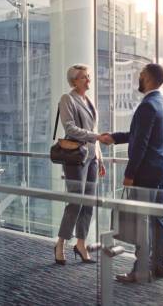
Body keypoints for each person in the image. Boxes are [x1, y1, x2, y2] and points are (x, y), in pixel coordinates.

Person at [98, 63, 163, 283]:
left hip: (146, 174)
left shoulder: (147, 106)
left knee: (142, 222)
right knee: (158, 219)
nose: (138, 79)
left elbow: (140, 144)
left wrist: (129, 175)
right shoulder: (162, 103)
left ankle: (140, 270)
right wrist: (114, 137)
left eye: (140, 76)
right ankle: (159, 265)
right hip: (161, 170)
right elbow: (140, 134)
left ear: (148, 79)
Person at [54, 64, 106, 265]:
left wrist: (99, 158)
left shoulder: (89, 100)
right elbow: (70, 128)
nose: (88, 80)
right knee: (75, 202)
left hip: (92, 157)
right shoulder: (68, 99)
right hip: (76, 157)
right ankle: (60, 243)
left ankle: (81, 243)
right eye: (84, 77)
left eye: (88, 76)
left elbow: (94, 128)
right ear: (74, 81)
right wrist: (96, 137)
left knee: (89, 202)